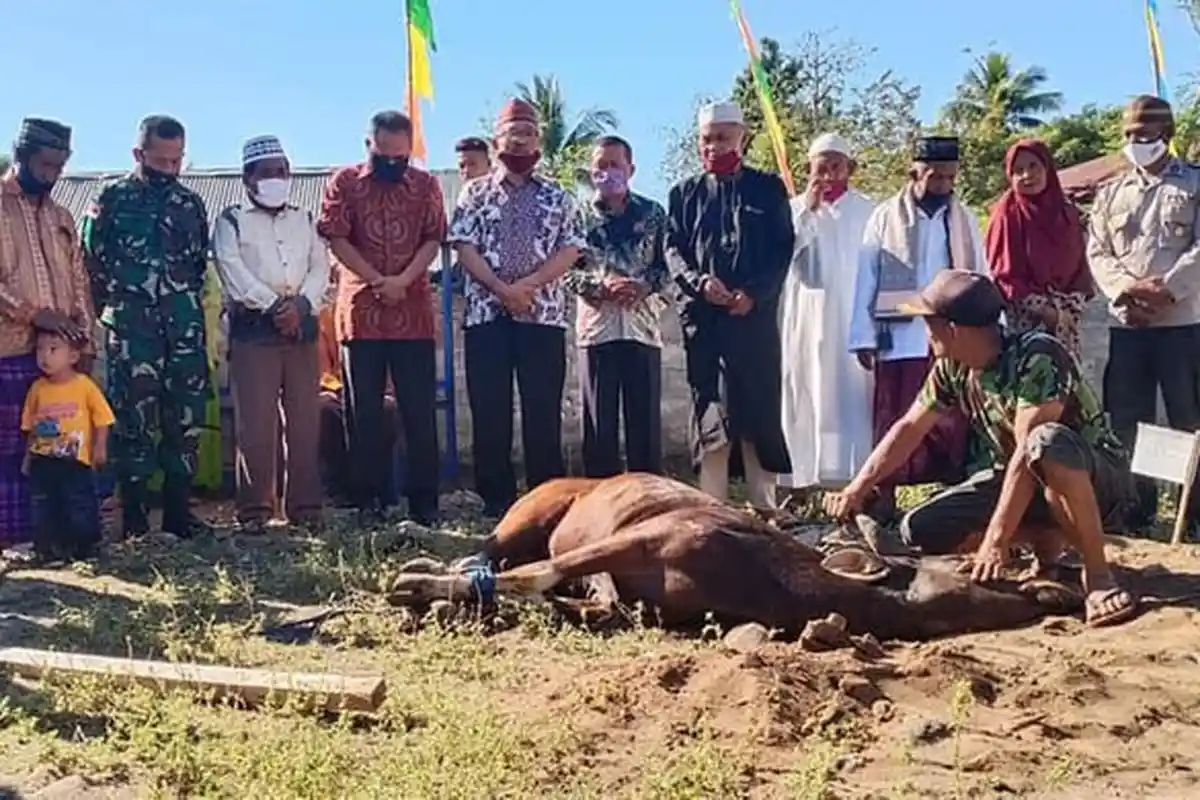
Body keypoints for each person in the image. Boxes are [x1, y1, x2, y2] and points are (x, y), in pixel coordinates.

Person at [825, 269, 1138, 629]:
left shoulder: (1038, 356)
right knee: (921, 528)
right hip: (1031, 480)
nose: (926, 333)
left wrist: (995, 540)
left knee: (1046, 441)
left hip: (1098, 484)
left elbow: (1027, 454)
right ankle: (1047, 544)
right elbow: (910, 428)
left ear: (953, 330)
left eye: (930, 323)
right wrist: (856, 489)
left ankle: (1098, 578)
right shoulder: (952, 367)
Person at [447, 98, 587, 517]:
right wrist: (499, 287)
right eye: (513, 134)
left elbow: (572, 248)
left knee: (542, 410)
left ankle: (546, 500)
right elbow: (463, 247)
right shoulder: (474, 192)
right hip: (486, 316)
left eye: (528, 134)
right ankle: (497, 502)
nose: (521, 142)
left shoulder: (558, 196)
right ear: (497, 141)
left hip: (541, 316)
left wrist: (528, 285)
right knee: (490, 411)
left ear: (539, 142)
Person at [81, 115, 212, 539]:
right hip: (133, 331)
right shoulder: (111, 199)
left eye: (177, 161)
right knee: (132, 421)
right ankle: (134, 518)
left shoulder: (190, 204)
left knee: (185, 418)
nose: (169, 169)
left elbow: (196, 266)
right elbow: (90, 262)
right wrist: (120, 308)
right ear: (139, 154)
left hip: (183, 330)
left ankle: (178, 514)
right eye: (161, 160)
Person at [849, 135, 987, 522]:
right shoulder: (884, 216)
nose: (942, 185)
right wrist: (863, 335)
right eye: (934, 176)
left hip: (949, 336)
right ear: (914, 172)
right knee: (896, 417)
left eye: (948, 177)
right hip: (900, 335)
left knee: (952, 421)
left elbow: (980, 272)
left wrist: (990, 325)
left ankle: (952, 500)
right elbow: (867, 277)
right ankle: (884, 499)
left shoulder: (962, 218)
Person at [664, 100, 794, 508]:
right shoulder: (684, 194)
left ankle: (765, 506)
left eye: (722, 138)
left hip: (752, 323)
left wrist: (752, 294)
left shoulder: (768, 189)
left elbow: (782, 250)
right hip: (705, 325)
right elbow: (673, 251)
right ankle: (711, 509)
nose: (714, 146)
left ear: (742, 136)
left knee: (757, 411)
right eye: (706, 139)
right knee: (710, 414)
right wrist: (700, 283)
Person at [317, 111, 445, 524]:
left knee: (419, 411)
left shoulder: (427, 185)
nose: (393, 163)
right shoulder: (344, 183)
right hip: (362, 313)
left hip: (414, 311)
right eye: (384, 155)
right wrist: (376, 280)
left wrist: (404, 280)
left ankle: (424, 503)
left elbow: (433, 238)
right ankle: (368, 501)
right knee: (364, 412)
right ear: (368, 144)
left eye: (401, 157)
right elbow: (336, 237)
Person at [1088, 95, 1200, 532]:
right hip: (1127, 324)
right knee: (1127, 420)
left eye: (1145, 134)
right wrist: (1125, 292)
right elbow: (1098, 251)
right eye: (1130, 135)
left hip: (1182, 323)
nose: (1136, 142)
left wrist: (1167, 291)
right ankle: (1135, 508)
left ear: (1166, 135)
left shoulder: (1193, 184)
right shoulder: (1111, 191)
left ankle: (1191, 514)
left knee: (1187, 418)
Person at [212, 135, 329, 531]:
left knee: (304, 420)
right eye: (267, 173)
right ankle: (255, 512)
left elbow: (320, 269)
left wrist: (300, 307)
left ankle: (305, 508)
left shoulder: (306, 218)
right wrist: (273, 306)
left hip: (302, 325)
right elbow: (231, 268)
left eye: (282, 172)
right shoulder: (230, 220)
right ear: (248, 178)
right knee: (256, 424)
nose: (276, 179)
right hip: (253, 328)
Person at [0, 118, 94, 554]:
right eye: (45, 163)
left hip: (61, 357)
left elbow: (79, 282)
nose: (53, 173)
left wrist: (85, 341)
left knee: (55, 449)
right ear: (21, 157)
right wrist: (35, 315)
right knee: (10, 448)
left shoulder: (62, 216)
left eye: (60, 165)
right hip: (10, 348)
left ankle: (52, 538)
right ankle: (12, 538)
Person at [564, 135, 668, 477]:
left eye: (615, 165)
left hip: (643, 328)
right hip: (597, 331)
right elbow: (565, 272)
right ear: (591, 172)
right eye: (600, 166)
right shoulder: (577, 216)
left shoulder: (653, 214)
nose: (608, 173)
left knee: (645, 424)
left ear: (631, 169)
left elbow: (666, 267)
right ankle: (600, 499)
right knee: (598, 425)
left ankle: (649, 497)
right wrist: (600, 287)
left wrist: (643, 286)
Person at [779, 132, 876, 492]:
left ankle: (855, 480)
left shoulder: (869, 210)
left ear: (849, 168)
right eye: (822, 165)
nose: (830, 172)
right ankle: (801, 480)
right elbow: (785, 256)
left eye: (837, 165)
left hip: (852, 316)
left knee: (851, 394)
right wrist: (809, 208)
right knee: (806, 388)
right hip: (805, 317)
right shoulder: (793, 209)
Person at [987, 138, 1093, 360]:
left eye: (1034, 166)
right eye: (1018, 170)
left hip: (1066, 321)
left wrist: (1068, 310)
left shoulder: (1067, 213)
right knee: (1032, 386)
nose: (1027, 175)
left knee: (1066, 386)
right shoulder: (1007, 215)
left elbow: (1081, 267)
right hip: (1023, 323)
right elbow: (1003, 273)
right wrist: (1045, 311)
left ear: (1048, 168)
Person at [21, 325, 115, 563]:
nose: (45, 356)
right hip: (44, 461)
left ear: (73, 356)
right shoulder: (37, 389)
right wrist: (27, 457)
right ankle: (48, 550)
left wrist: (100, 447)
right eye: (40, 349)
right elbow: (30, 427)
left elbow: (103, 419)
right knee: (45, 505)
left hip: (75, 461)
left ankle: (85, 548)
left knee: (80, 503)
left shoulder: (84, 386)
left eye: (53, 349)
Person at [316, 299, 399, 506]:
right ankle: (338, 487)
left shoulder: (381, 315)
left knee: (387, 409)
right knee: (325, 409)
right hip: (336, 387)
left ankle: (381, 488)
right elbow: (323, 369)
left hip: (375, 388)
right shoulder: (324, 317)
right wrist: (336, 388)